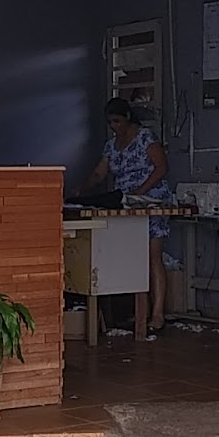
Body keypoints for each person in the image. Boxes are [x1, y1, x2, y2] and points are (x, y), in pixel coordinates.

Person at [80, 98, 173, 332]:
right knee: (131, 257)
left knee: (153, 256)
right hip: (124, 204)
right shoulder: (111, 145)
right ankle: (139, 311)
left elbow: (161, 167)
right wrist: (81, 190)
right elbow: (99, 173)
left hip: (151, 201)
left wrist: (140, 192)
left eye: (117, 121)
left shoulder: (145, 138)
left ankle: (157, 313)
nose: (114, 126)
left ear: (127, 117)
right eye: (110, 122)